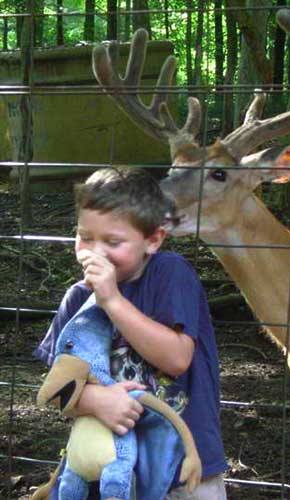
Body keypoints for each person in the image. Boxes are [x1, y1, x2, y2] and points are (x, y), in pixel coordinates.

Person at [33, 167, 228, 499]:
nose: (94, 251)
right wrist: (93, 400)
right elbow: (57, 388)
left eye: (113, 241)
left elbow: (178, 359)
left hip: (183, 470)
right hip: (111, 472)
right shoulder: (78, 299)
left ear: (152, 239)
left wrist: (111, 300)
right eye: (85, 236)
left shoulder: (170, 274)